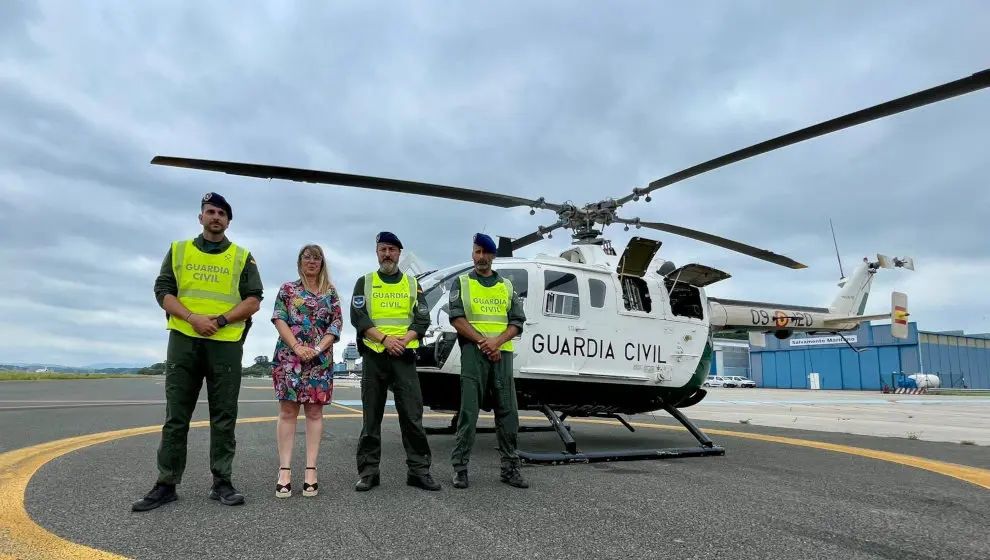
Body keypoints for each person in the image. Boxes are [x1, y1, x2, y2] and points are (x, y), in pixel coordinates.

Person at [133, 192, 263, 512]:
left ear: (228, 221)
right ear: (200, 217)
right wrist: (192, 318)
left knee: (224, 416)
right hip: (184, 341)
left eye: (221, 213)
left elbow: (254, 299)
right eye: (210, 211)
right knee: (176, 416)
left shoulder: (242, 256)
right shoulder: (178, 251)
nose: (216, 216)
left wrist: (218, 320)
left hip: (225, 343)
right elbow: (163, 291)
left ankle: (222, 481)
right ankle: (166, 483)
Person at [349, 231, 440, 492]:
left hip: (404, 358)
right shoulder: (364, 282)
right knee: (371, 418)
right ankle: (368, 473)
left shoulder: (413, 284)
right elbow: (359, 317)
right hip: (375, 357)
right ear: (377, 253)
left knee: (412, 416)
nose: (387, 254)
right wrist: (386, 339)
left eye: (391, 249)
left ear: (399, 253)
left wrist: (402, 341)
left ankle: (419, 471)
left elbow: (422, 319)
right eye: (382, 249)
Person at [447, 233, 528, 489]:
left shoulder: (507, 286)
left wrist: (497, 342)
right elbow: (457, 319)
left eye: (486, 253)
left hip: (501, 355)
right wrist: (485, 342)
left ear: (493, 256)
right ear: (472, 254)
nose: (481, 257)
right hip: (474, 353)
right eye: (477, 252)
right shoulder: (461, 282)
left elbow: (517, 321)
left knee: (508, 413)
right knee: (469, 413)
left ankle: (510, 467)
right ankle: (460, 468)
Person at [270, 244, 343, 498]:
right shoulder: (287, 290)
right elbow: (279, 318)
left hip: (319, 361)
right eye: (307, 257)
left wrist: (318, 348)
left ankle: (311, 470)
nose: (312, 261)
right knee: (288, 411)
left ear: (322, 263)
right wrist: (297, 347)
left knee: (314, 413)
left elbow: (336, 323)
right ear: (300, 262)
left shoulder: (330, 292)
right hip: (289, 358)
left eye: (317, 258)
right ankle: (284, 471)